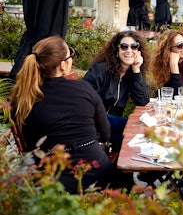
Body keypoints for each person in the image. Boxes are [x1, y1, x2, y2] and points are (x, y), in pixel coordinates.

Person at [10, 36, 114, 194]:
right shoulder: (84, 89)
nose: (72, 58)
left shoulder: (24, 98)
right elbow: (106, 134)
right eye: (70, 54)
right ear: (62, 65)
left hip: (51, 179)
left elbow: (27, 146)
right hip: (96, 173)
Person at [84, 30, 150, 152]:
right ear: (116, 50)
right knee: (136, 129)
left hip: (111, 126)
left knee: (137, 140)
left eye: (134, 46)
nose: (129, 50)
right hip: (94, 124)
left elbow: (143, 101)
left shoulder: (131, 74)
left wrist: (136, 70)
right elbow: (85, 104)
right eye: (124, 47)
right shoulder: (100, 70)